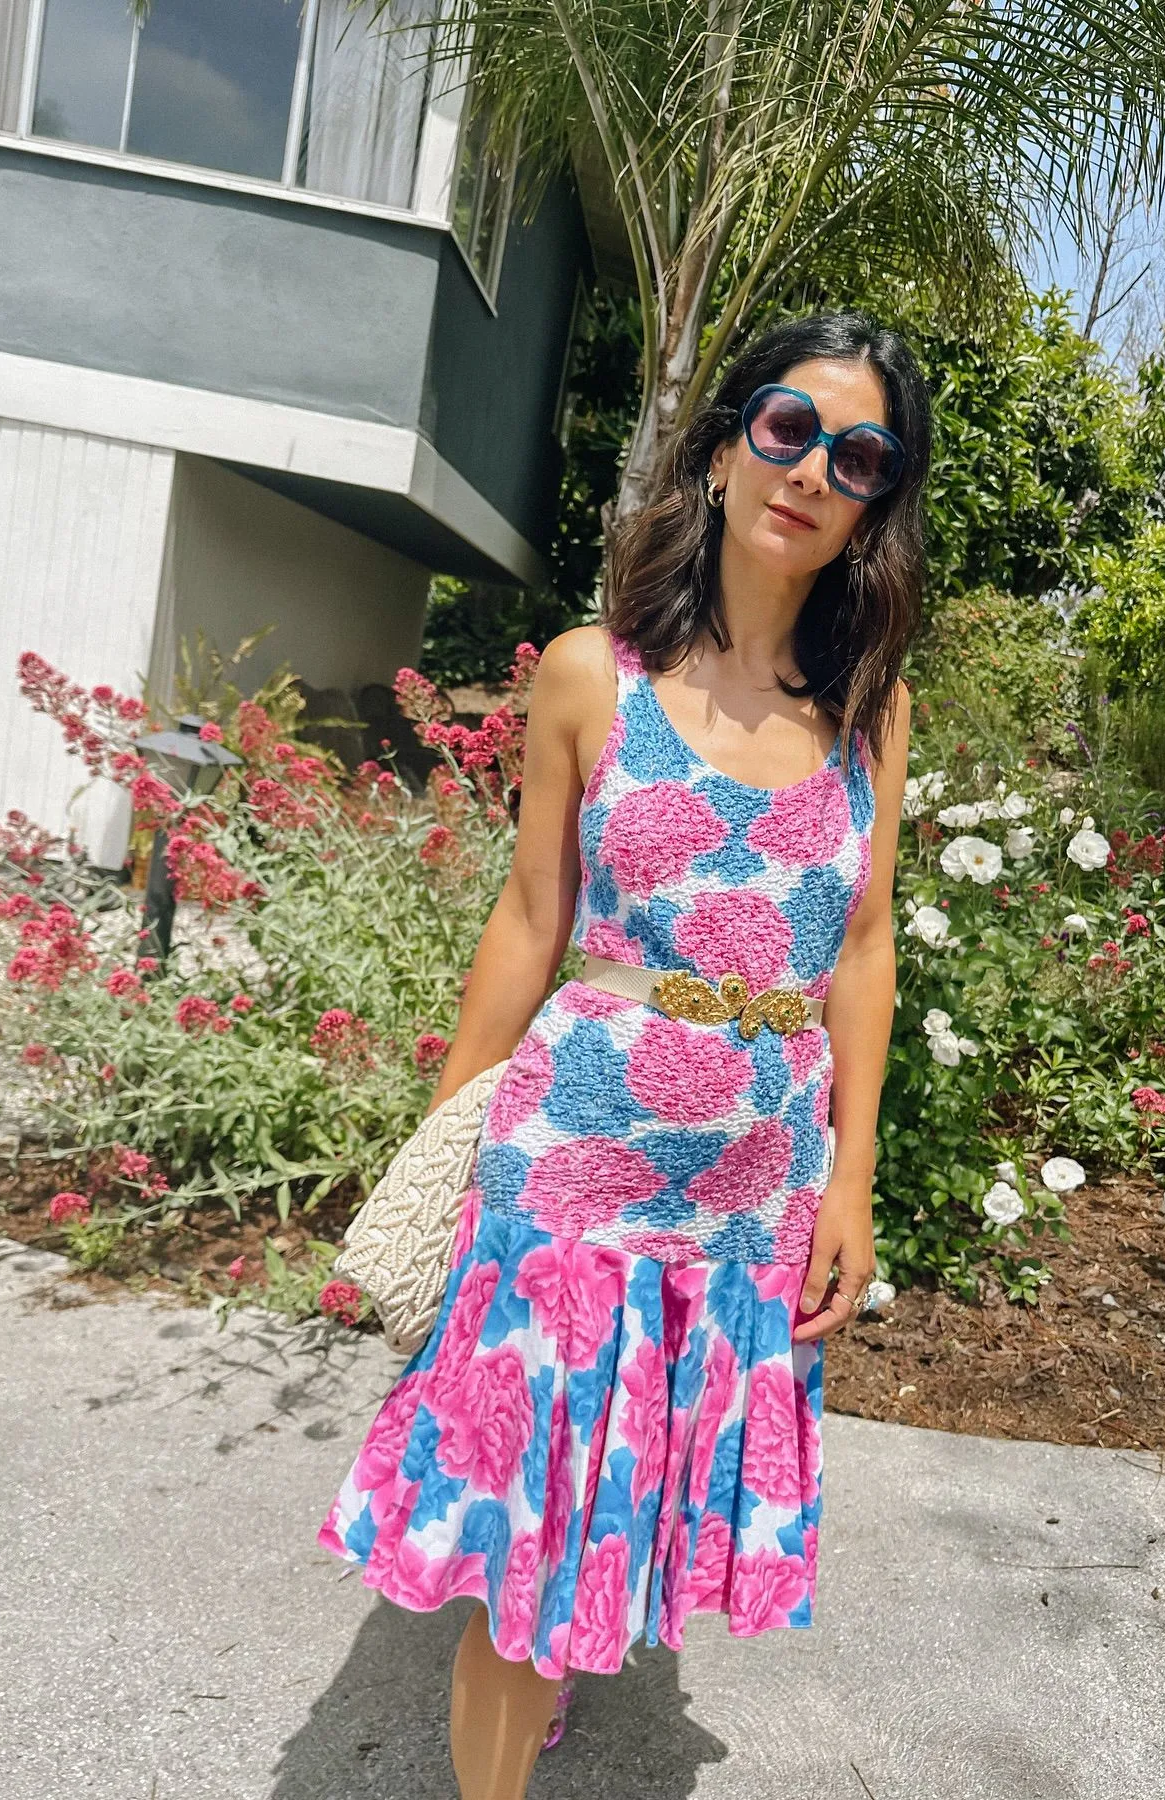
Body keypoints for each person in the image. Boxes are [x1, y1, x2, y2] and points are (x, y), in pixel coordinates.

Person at [318, 308, 932, 1800]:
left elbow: (862, 951)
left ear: (872, 507)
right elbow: (533, 917)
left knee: (637, 1479)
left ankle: (561, 1661)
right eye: (784, 427)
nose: (808, 470)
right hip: (572, 1160)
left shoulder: (870, 710)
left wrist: (849, 1183)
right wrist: (444, 1141)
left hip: (752, 1181)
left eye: (856, 455)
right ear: (726, 447)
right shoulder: (597, 672)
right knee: (530, 1513)